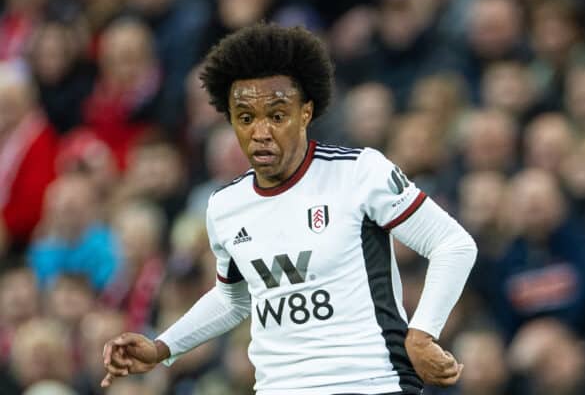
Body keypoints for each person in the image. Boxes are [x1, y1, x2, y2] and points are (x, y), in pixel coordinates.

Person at [101, 23, 477, 395]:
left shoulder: (358, 172)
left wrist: (423, 332)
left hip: (371, 383)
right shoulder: (225, 206)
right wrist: (162, 347)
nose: (260, 132)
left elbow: (453, 244)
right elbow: (233, 298)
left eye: (277, 116)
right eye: (246, 118)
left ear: (306, 112)